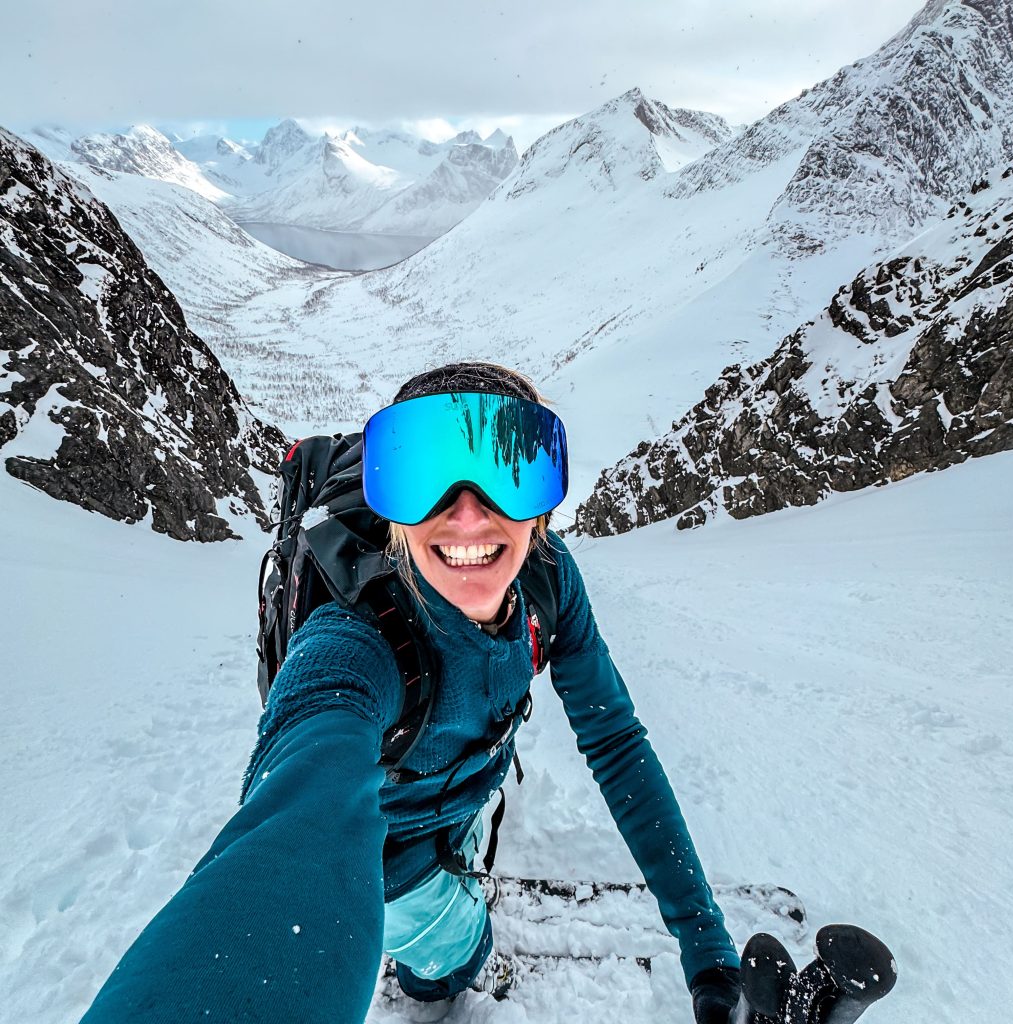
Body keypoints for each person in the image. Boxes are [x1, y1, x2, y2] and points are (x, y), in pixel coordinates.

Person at [80, 362, 741, 1023]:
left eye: (511, 469)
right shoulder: (355, 642)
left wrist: (708, 948)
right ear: (387, 511)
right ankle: (436, 981)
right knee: (455, 957)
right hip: (391, 858)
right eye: (422, 478)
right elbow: (294, 832)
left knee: (476, 808)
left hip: (462, 787)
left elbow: (616, 741)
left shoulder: (549, 579)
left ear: (543, 509)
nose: (468, 514)